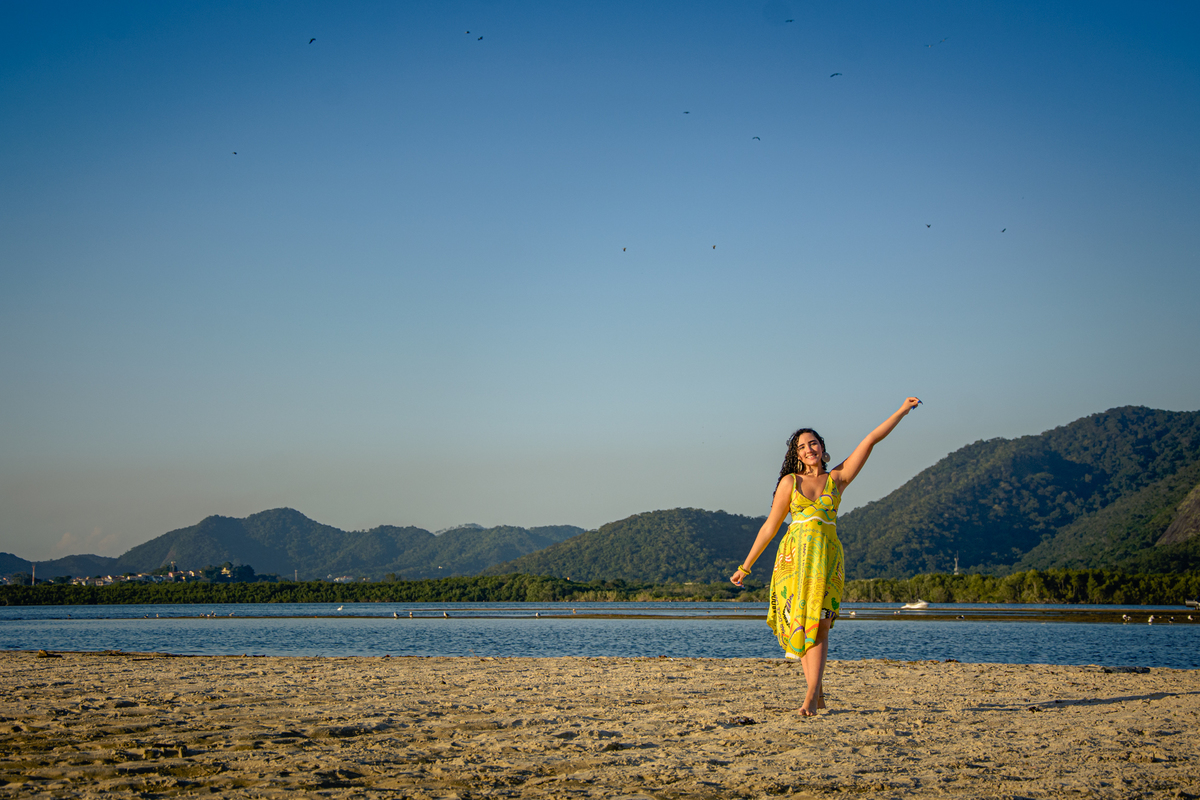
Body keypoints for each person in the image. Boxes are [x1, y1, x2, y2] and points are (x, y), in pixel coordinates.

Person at [730, 397, 921, 715]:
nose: (808, 449)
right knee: (804, 625)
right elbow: (770, 527)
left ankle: (810, 696)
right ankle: (815, 696)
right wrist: (745, 566)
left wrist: (901, 411)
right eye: (802, 446)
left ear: (823, 448)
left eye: (813, 443)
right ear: (796, 454)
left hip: (827, 562)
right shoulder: (790, 483)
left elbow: (870, 440)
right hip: (794, 563)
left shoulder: (837, 478)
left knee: (819, 624)